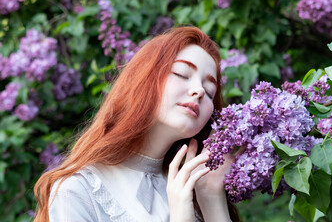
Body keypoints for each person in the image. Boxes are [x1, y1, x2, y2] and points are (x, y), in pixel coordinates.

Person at [34, 26, 240, 222]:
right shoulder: (78, 191)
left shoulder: (196, 190)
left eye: (210, 91)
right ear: (145, 78)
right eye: (181, 74)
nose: (199, 90)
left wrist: (211, 196)